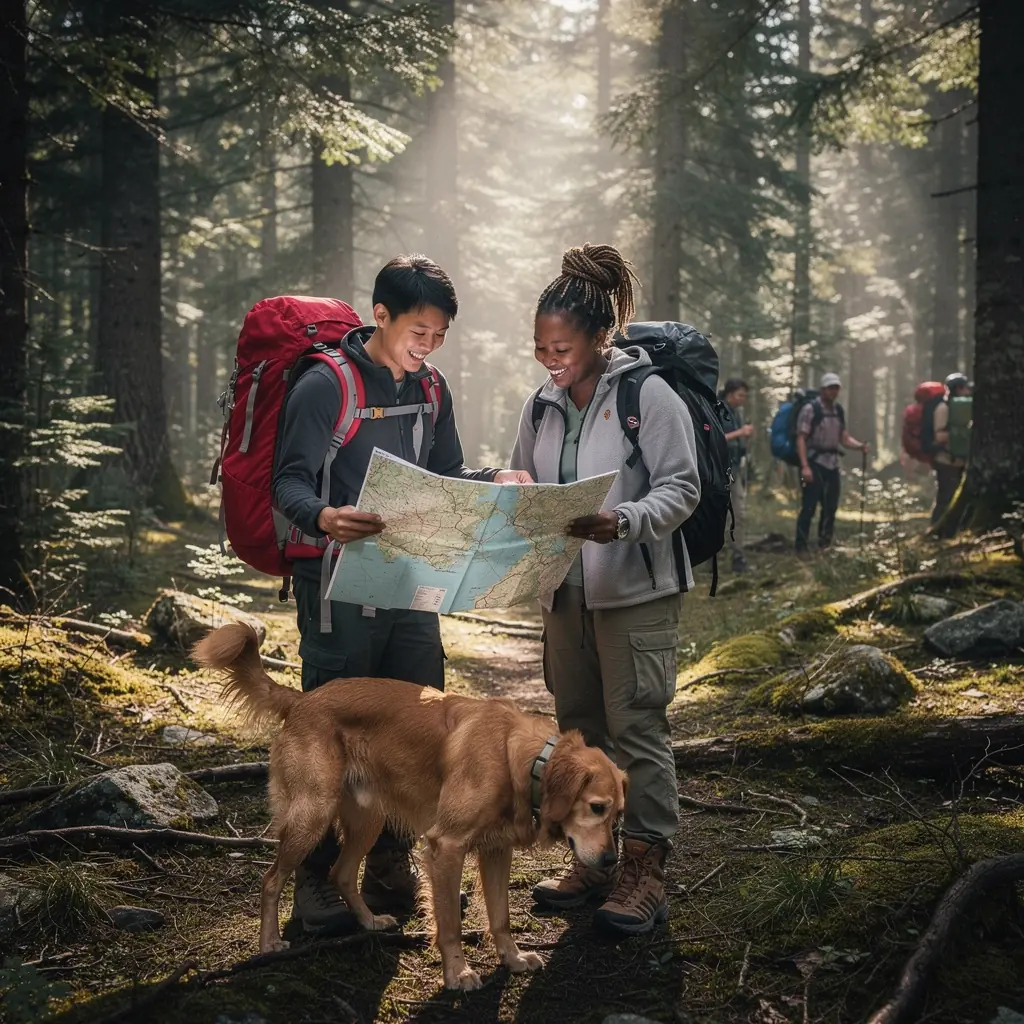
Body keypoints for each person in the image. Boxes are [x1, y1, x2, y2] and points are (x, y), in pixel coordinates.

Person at [272, 254, 532, 936]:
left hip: (412, 581)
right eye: (419, 329)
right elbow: (289, 483)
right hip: (336, 583)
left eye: (440, 334)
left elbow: (445, 476)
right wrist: (325, 517)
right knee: (337, 725)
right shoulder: (326, 385)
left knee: (419, 719)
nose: (429, 344)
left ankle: (391, 866)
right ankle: (317, 886)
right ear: (380, 315)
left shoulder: (433, 389)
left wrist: (491, 479)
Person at [509, 244, 701, 936]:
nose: (550, 359)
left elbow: (682, 489)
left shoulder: (647, 396)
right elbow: (521, 480)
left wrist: (621, 521)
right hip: (564, 594)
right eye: (539, 348)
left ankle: (646, 872)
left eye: (560, 346)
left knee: (637, 728)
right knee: (580, 733)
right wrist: (514, 492)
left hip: (635, 594)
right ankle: (592, 861)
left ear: (599, 337)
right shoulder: (540, 406)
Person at [795, 372, 869, 555]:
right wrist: (804, 466)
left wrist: (860, 447)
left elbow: (843, 437)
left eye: (836, 388)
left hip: (832, 464)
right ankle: (801, 546)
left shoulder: (838, 410)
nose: (833, 391)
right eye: (830, 388)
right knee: (809, 505)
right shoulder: (810, 410)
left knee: (830, 506)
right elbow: (801, 438)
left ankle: (824, 545)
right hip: (813, 463)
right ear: (823, 389)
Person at [930, 372, 973, 525]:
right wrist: (961, 433)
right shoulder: (943, 408)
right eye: (964, 388)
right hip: (945, 460)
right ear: (958, 388)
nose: (967, 391)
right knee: (945, 498)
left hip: (960, 461)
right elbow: (939, 436)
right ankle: (936, 527)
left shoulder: (964, 407)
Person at [721, 379, 754, 573]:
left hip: (734, 469)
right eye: (740, 395)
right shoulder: (717, 409)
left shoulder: (738, 414)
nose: (743, 399)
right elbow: (715, 439)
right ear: (730, 393)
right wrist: (740, 433)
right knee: (718, 514)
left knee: (739, 512)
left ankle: (738, 556)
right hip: (718, 470)